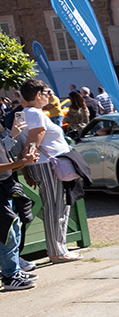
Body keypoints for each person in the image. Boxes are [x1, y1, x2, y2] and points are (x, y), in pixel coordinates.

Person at [18, 79, 81, 263]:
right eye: (47, 92)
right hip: (48, 165)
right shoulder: (35, 114)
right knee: (56, 207)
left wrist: (27, 169)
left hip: (41, 165)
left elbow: (22, 143)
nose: (49, 95)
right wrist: (27, 163)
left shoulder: (22, 114)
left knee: (55, 206)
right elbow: (32, 143)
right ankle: (57, 251)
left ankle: (58, 249)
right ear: (38, 95)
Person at [1, 137, 39, 291]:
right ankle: (10, 276)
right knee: (8, 233)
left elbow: (9, 167)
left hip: (7, 188)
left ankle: (14, 271)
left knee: (14, 229)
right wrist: (22, 162)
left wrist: (26, 161)